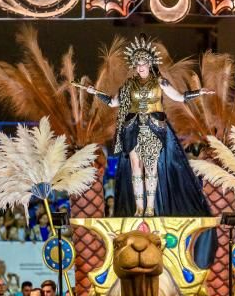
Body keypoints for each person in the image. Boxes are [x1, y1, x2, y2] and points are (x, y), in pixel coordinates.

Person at [81, 36, 215, 253]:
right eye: (138, 63)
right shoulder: (128, 85)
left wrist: (199, 92)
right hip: (133, 127)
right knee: (136, 168)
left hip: (154, 127)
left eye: (145, 63)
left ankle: (151, 207)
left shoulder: (160, 82)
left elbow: (179, 97)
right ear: (134, 65)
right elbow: (114, 102)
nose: (141, 67)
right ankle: (139, 207)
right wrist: (95, 93)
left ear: (150, 63)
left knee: (151, 168)